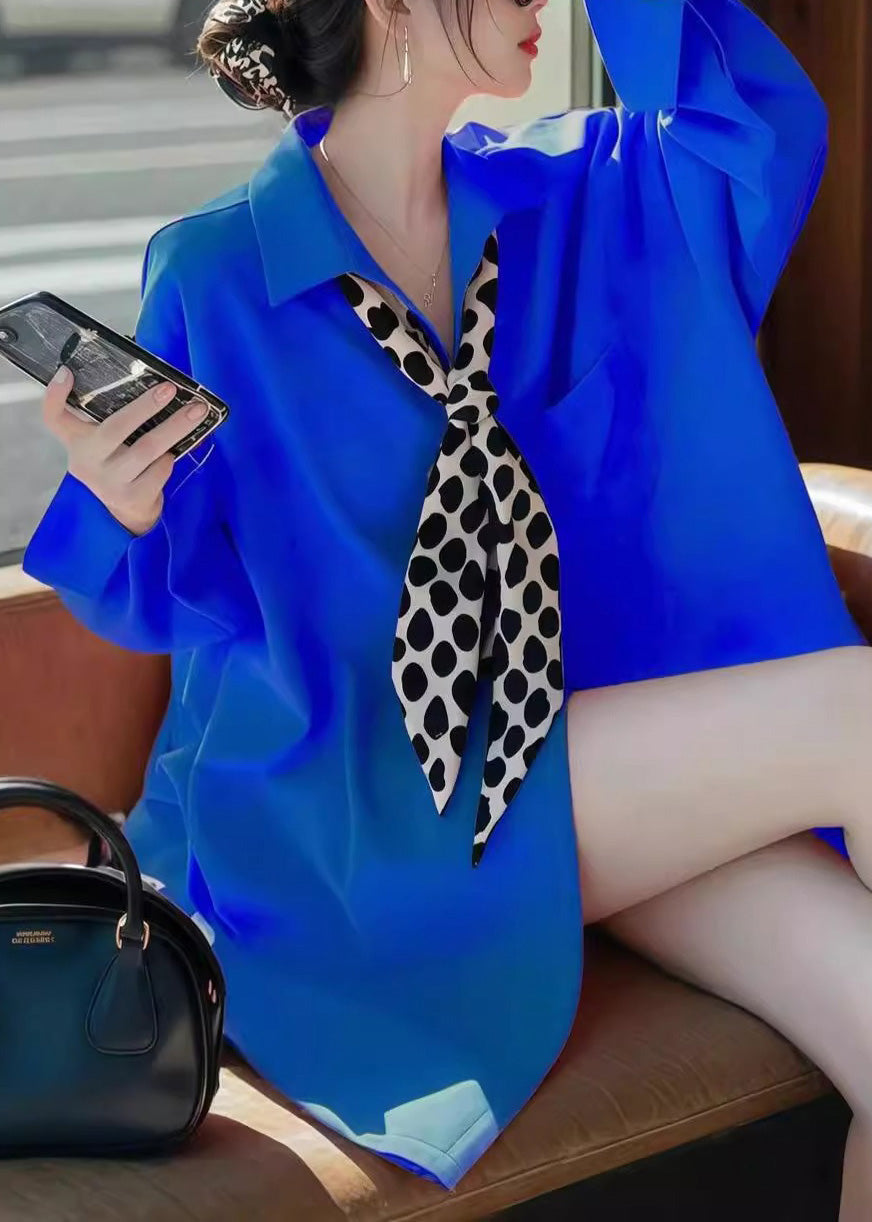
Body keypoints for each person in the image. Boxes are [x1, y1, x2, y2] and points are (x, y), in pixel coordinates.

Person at [21, 0, 872, 1206]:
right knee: (855, 707)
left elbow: (755, 131)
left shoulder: (572, 198)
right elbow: (162, 600)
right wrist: (121, 503)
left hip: (575, 773)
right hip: (356, 814)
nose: (537, 6)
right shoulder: (220, 272)